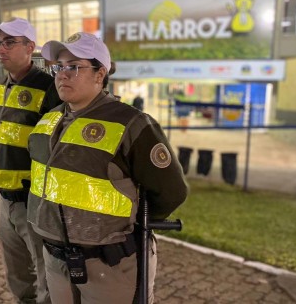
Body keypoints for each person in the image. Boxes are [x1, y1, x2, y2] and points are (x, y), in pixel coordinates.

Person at [26, 32, 188, 304]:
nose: (62, 75)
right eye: (58, 67)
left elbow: (171, 190)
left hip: (108, 265)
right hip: (55, 260)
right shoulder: (48, 120)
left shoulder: (132, 123)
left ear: (100, 74)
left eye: (73, 67)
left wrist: (129, 225)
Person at [0, 17, 61, 303]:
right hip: (4, 200)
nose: (1, 49)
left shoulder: (51, 90)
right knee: (16, 275)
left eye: (9, 42)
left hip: (34, 201)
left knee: (47, 275)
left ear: (30, 47)